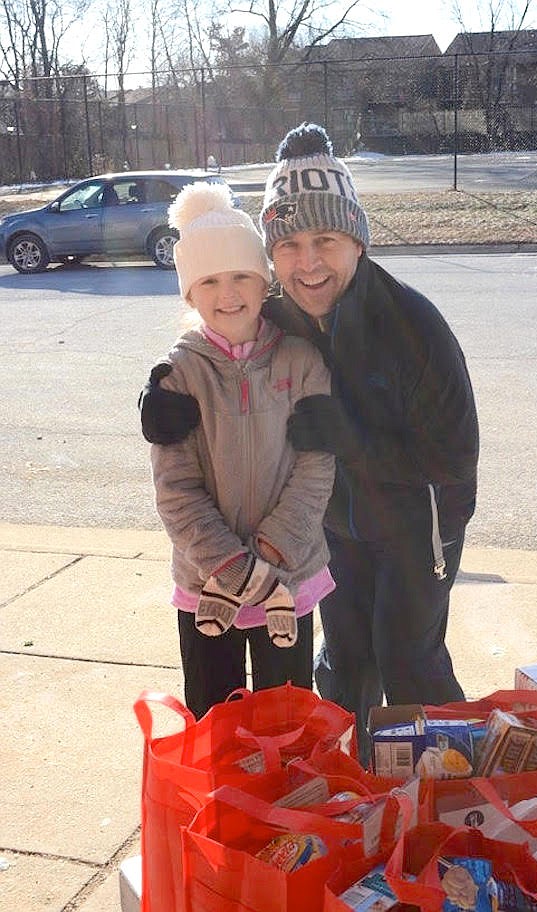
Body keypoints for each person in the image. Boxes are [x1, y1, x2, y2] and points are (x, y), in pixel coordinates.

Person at [140, 124, 479, 756]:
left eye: (325, 239)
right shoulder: (277, 310)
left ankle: (448, 794)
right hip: (328, 526)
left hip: (417, 524)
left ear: (356, 239)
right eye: (289, 245)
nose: (308, 262)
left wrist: (357, 443)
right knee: (344, 666)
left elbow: (454, 461)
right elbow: (217, 331)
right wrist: (158, 394)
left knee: (408, 659)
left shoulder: (415, 326)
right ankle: (350, 797)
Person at [143, 180, 335, 719]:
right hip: (208, 584)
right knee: (214, 717)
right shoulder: (178, 375)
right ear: (189, 292)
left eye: (240, 277)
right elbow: (175, 490)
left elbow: (316, 471)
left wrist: (269, 557)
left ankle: (283, 802)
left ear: (263, 280)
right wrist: (232, 569)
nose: (228, 295)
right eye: (209, 281)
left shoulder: (301, 361)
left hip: (288, 576)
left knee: (287, 717)